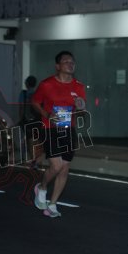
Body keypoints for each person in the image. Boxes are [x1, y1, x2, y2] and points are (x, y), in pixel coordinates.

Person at [30, 51, 86, 218]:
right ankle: (42, 187)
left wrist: (81, 107)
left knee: (65, 168)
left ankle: (53, 204)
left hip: (68, 129)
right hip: (50, 128)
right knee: (56, 166)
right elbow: (35, 102)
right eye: (66, 61)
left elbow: (81, 109)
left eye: (72, 61)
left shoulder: (78, 86)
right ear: (57, 66)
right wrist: (47, 115)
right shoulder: (46, 84)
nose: (70, 64)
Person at [18, 75, 42, 167]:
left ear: (27, 83)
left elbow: (21, 108)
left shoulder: (23, 94)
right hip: (38, 120)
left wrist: (20, 119)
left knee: (29, 140)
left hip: (27, 120)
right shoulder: (38, 93)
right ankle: (38, 160)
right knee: (37, 141)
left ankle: (32, 160)